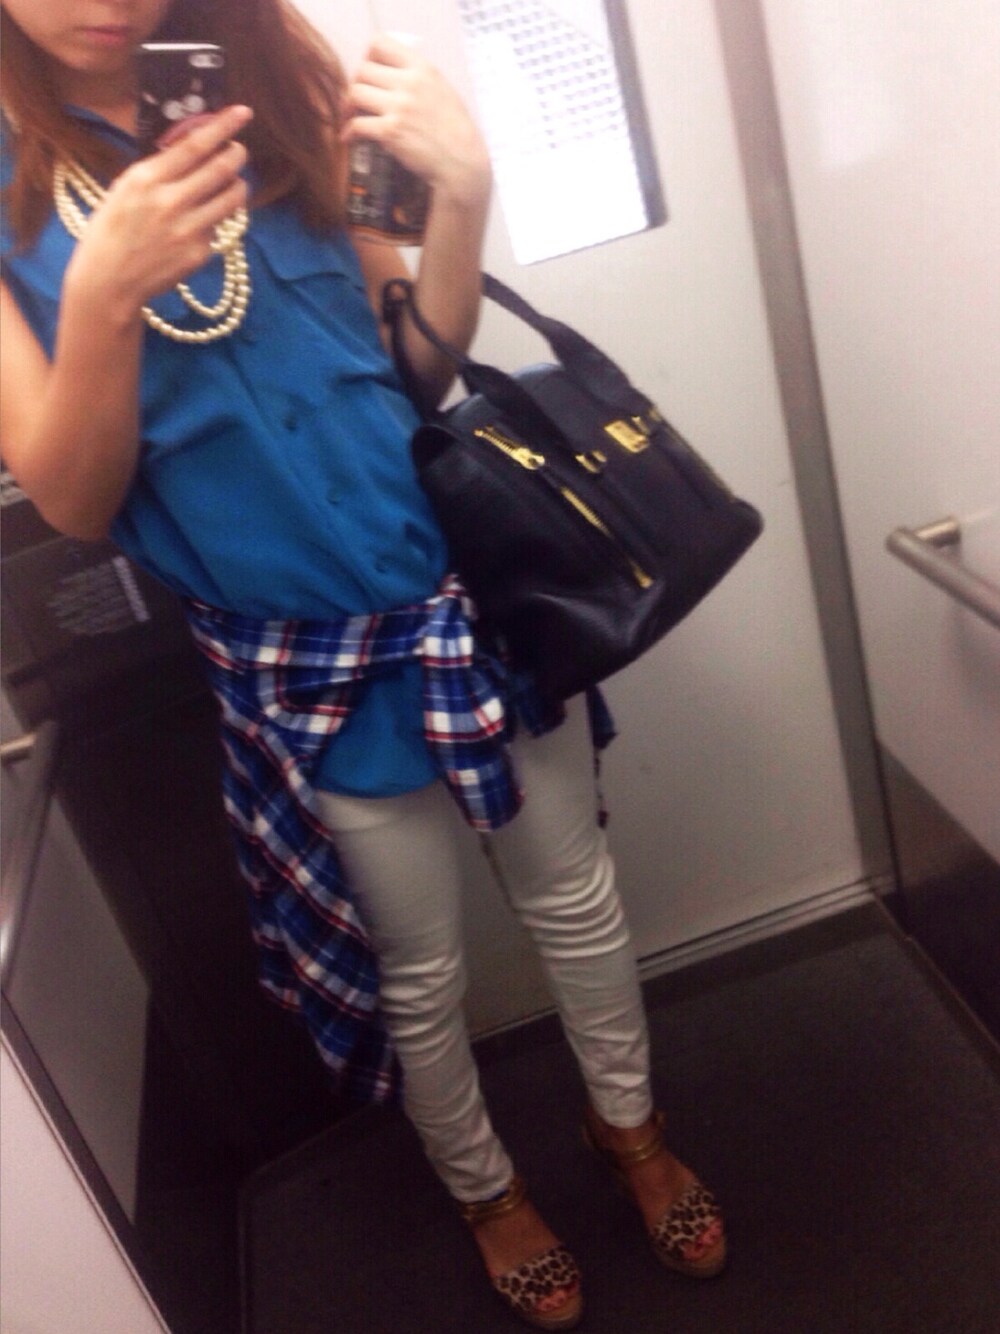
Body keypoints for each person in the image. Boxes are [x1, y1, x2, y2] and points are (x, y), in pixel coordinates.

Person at [0, 2, 726, 1327]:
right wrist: (101, 298)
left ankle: (634, 1130)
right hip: (305, 672)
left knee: (575, 899)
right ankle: (487, 1194)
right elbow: (75, 501)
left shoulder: (282, 81)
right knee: (418, 971)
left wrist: (465, 198)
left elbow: (416, 372)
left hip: (468, 607)